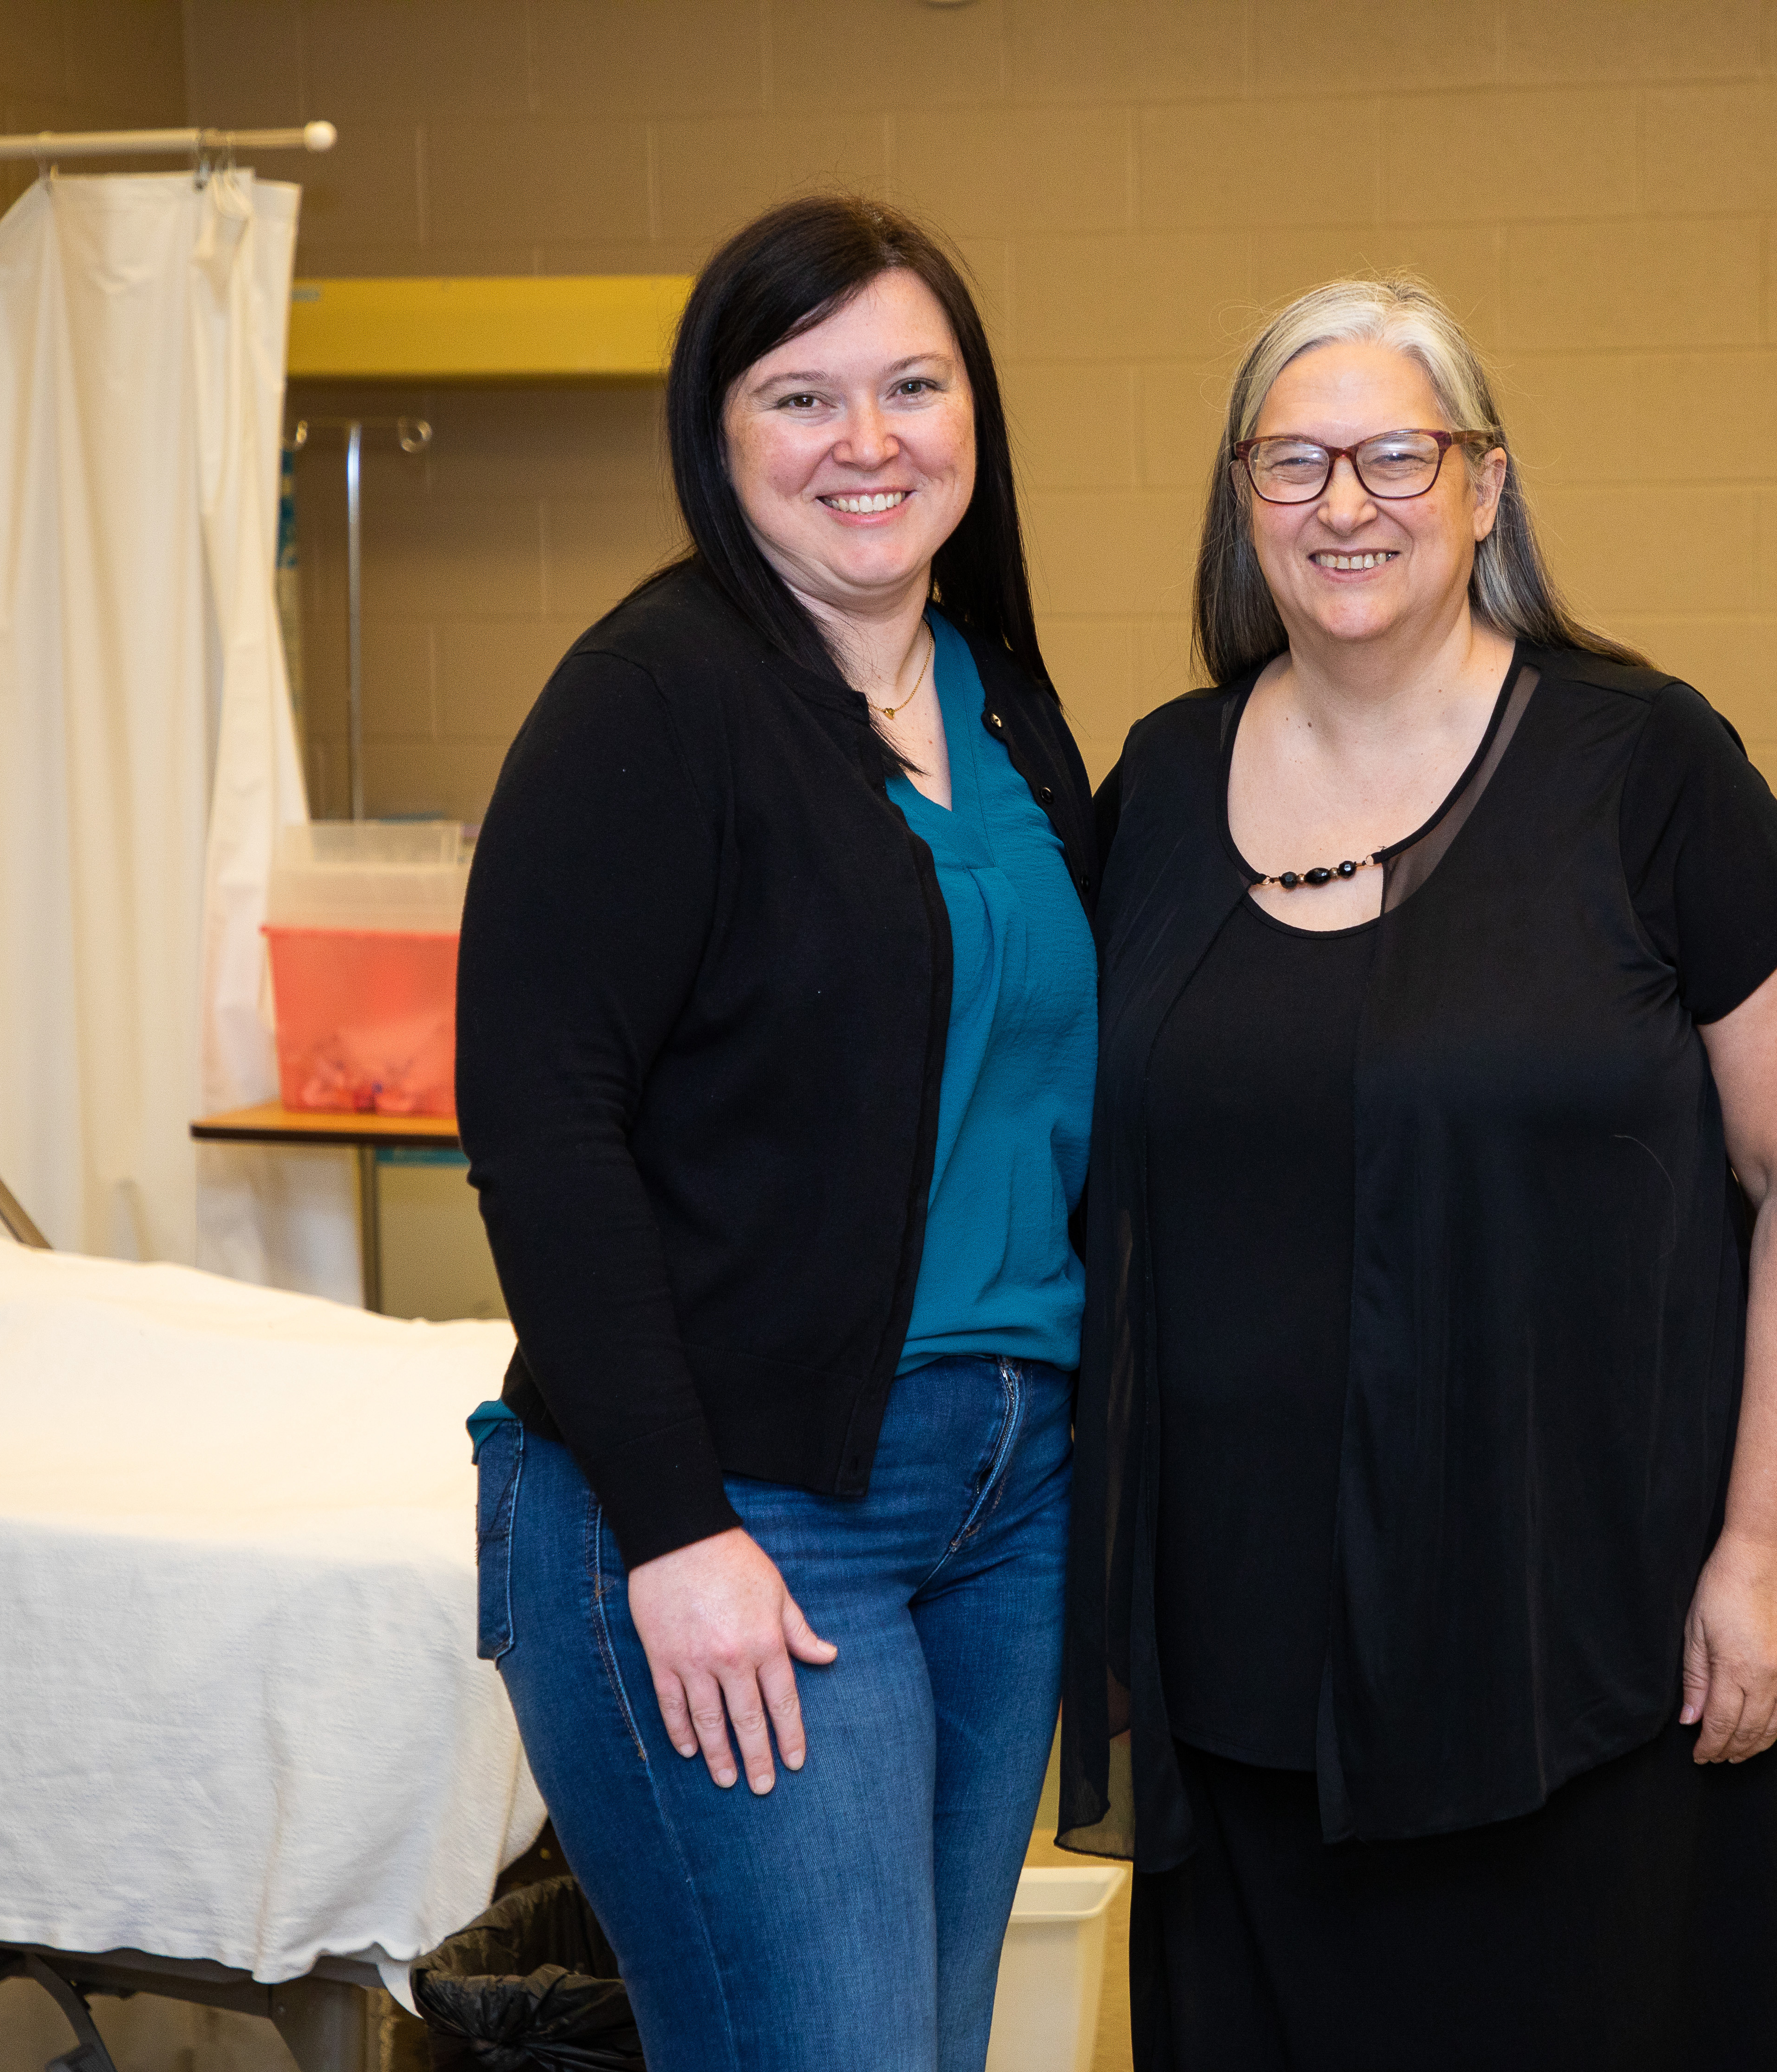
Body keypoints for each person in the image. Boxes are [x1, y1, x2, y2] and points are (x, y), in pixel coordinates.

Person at [1056, 277, 1777, 2070]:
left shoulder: (1641, 765)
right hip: (1239, 1660)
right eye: (1292, 462)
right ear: (1237, 498)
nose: (1342, 502)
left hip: (1582, 1644)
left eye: (1393, 455)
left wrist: (1769, 1549)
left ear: (1486, 487)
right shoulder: (1159, 782)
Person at [457, 196, 1097, 2072]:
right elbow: (543, 1120)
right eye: (803, 396)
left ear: (976, 414)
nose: (870, 440)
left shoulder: (997, 690)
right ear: (716, 433)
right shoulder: (653, 699)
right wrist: (675, 1526)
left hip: (1009, 1502)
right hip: (748, 1512)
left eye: (914, 384)